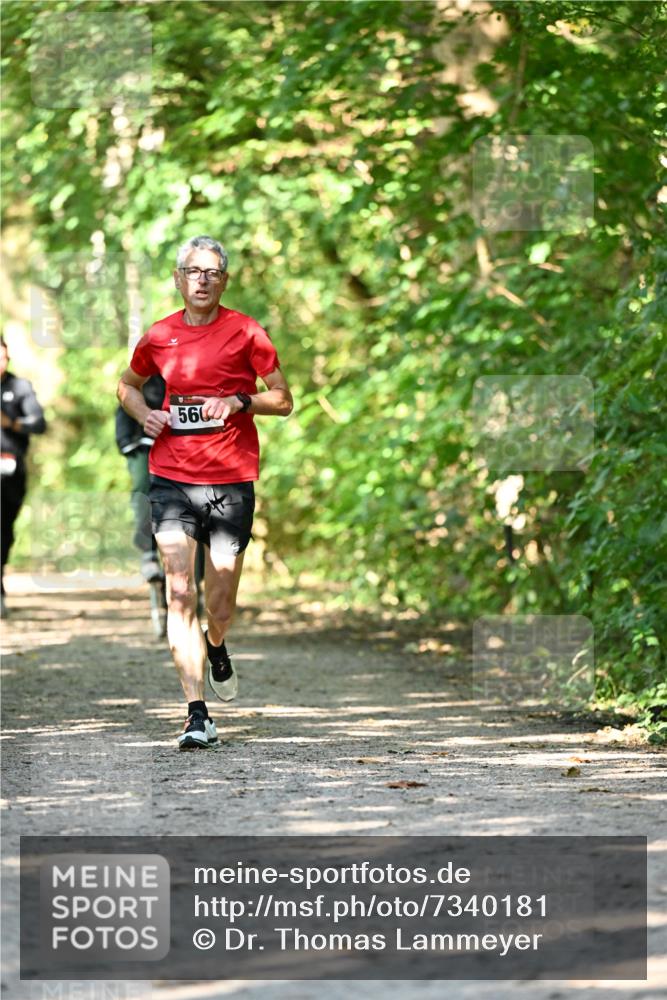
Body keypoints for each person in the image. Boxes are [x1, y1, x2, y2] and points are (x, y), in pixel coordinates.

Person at [117, 236, 293, 749]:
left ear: (224, 280)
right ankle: (197, 713)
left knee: (220, 601)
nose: (201, 279)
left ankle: (217, 644)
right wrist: (142, 412)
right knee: (179, 590)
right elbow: (125, 386)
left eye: (212, 272)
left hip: (231, 478)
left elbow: (283, 399)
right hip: (171, 475)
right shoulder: (159, 335)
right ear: (178, 278)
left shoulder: (246, 332)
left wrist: (242, 401)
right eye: (192, 271)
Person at [1, 337, 47, 616]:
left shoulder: (19, 388)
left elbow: (39, 422)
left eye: (3, 357)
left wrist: (12, 423)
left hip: (9, 471)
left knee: (3, 528)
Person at [115, 374, 166, 583]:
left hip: (181, 444)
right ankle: (149, 551)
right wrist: (127, 440)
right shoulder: (135, 375)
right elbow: (124, 405)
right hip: (141, 447)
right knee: (144, 487)